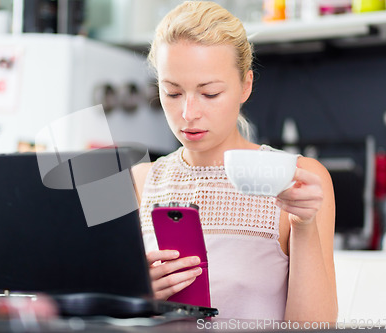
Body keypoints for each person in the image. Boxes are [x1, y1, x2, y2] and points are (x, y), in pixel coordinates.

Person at [132, 1, 338, 322]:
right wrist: (137, 296)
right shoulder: (139, 181)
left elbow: (315, 327)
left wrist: (305, 226)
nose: (188, 114)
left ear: (246, 85)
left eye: (210, 93)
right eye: (172, 93)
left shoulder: (298, 178)